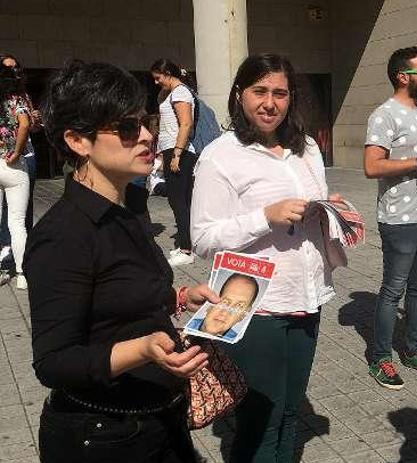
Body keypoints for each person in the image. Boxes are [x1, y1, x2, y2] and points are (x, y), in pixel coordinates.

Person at [25, 61, 220, 463]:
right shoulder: (63, 235)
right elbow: (53, 362)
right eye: (128, 129)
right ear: (79, 141)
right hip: (102, 437)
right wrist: (144, 349)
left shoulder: (127, 206)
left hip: (160, 418)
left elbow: (119, 295)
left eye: (145, 122)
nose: (147, 136)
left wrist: (179, 296)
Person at [191, 53, 341, 462]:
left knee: (292, 412)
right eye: (259, 91)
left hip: (306, 297)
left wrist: (334, 211)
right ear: (240, 95)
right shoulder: (221, 156)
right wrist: (264, 217)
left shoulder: (306, 148)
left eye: (280, 93)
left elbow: (315, 210)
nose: (269, 103)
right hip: (255, 306)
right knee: (260, 421)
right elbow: (203, 238)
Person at [363, 46, 417, 390]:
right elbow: (372, 167)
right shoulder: (384, 115)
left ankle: (415, 351)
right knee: (393, 291)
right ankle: (381, 358)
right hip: (400, 220)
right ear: (403, 77)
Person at [150, 58, 196, 266]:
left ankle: (187, 249)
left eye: (158, 78)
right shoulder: (170, 93)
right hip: (171, 149)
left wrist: (177, 154)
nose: (156, 82)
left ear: (168, 73)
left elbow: (185, 124)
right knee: (178, 201)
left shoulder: (180, 93)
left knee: (179, 201)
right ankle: (185, 243)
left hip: (180, 151)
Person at [0, 64, 30, 289]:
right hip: (14, 165)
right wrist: (18, 151)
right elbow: (25, 123)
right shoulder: (17, 100)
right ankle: (22, 273)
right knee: (17, 222)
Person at [190, 273, 259, 341]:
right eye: (225, 302)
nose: (225, 312)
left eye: (239, 306)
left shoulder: (239, 345)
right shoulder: (183, 325)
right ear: (212, 302)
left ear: (243, 315)